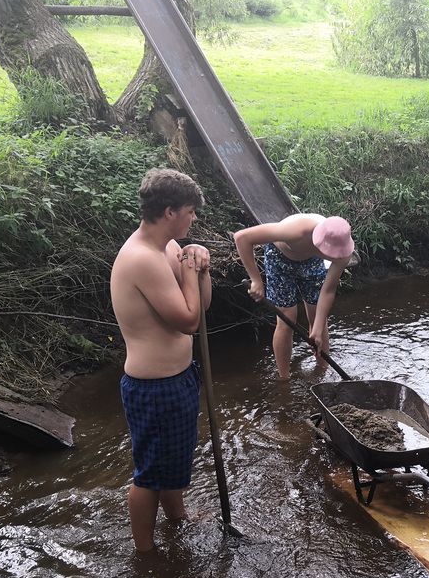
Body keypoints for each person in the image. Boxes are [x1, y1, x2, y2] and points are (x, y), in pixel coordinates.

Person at [110, 168, 211, 552]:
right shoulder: (142, 258)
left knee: (172, 462)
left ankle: (177, 517)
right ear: (170, 212)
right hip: (154, 387)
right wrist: (188, 267)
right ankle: (146, 553)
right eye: (190, 211)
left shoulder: (167, 247)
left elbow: (201, 307)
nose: (194, 218)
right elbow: (188, 322)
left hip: (178, 378)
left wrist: (201, 268)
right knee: (151, 474)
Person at [234, 213, 354, 381]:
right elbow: (242, 237)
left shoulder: (343, 253)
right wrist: (256, 280)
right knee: (287, 319)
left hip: (311, 262)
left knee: (318, 319)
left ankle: (322, 373)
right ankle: (284, 379)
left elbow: (328, 291)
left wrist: (317, 329)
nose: (334, 255)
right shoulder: (296, 230)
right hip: (280, 259)